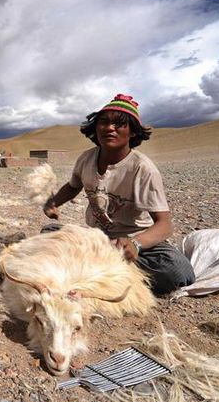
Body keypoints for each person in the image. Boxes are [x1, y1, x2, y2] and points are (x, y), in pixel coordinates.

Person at [43, 94, 194, 295]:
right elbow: (73, 186)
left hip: (133, 243)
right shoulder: (86, 158)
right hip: (98, 239)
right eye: (103, 122)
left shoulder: (143, 168)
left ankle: (90, 269)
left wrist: (136, 244)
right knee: (49, 232)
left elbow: (165, 225)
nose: (109, 128)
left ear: (132, 132)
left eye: (119, 124)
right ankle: (108, 273)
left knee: (177, 271)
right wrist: (53, 202)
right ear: (95, 128)